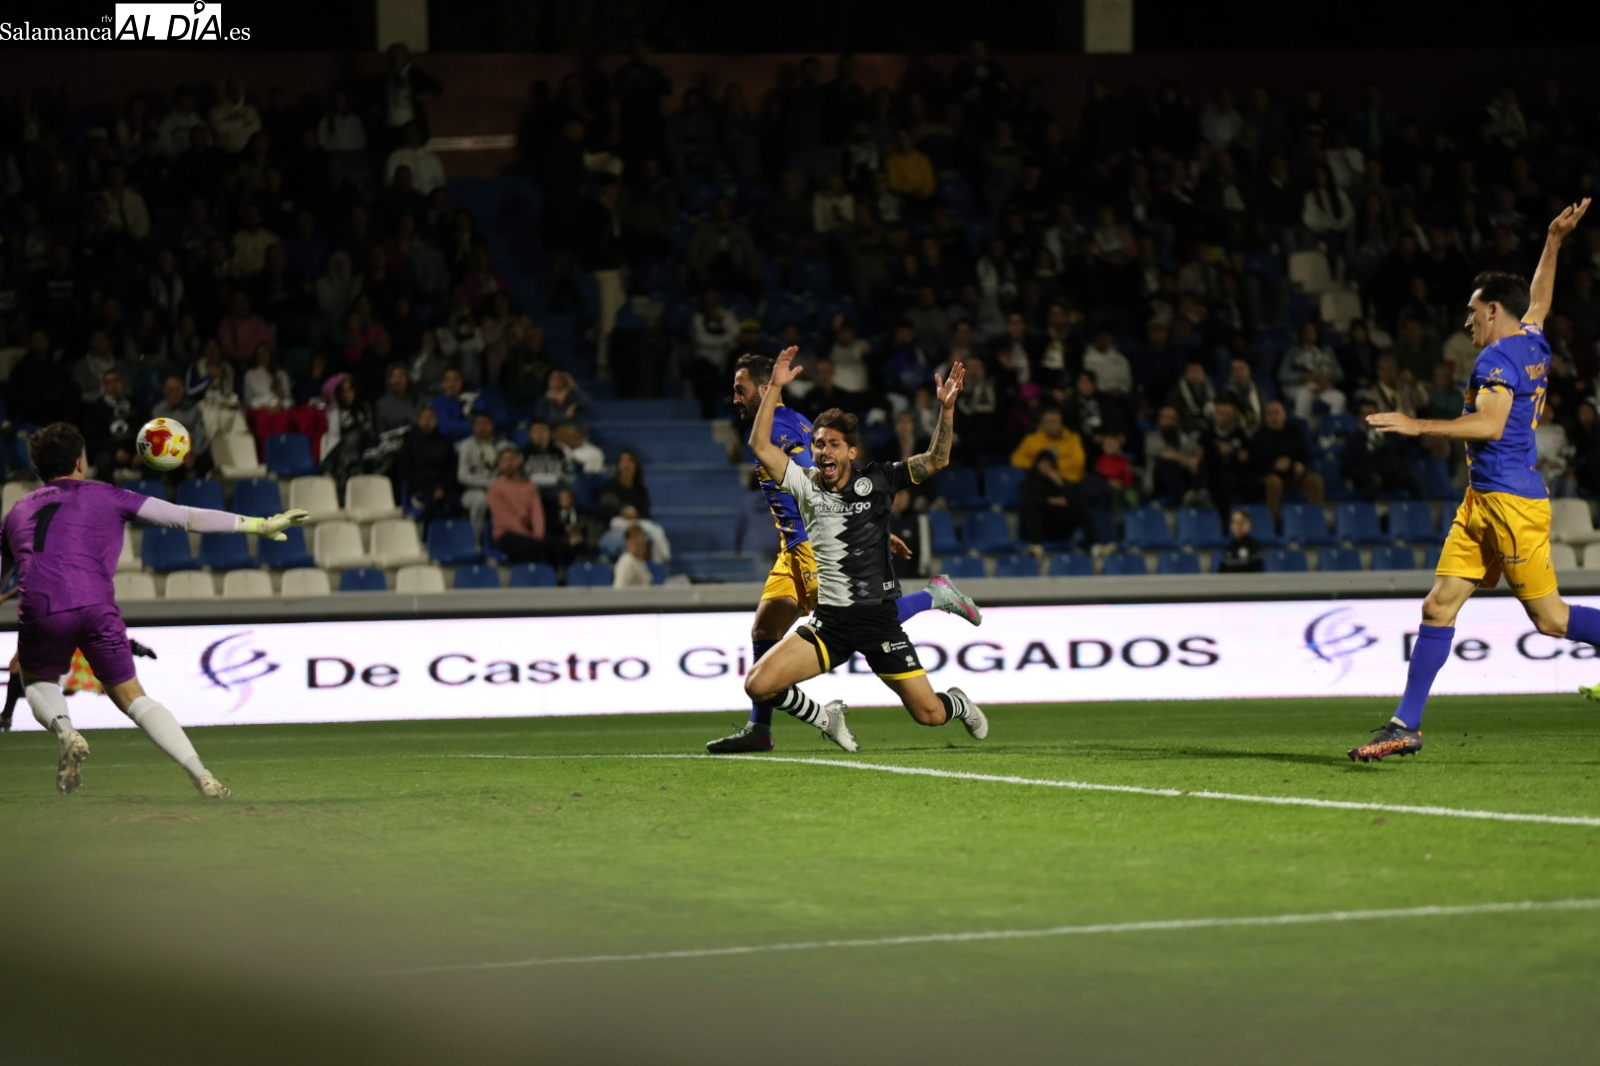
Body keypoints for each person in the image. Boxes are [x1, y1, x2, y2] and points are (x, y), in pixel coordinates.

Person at [1356, 200, 1599, 761]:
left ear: (1492, 312)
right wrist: (1554, 241)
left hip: (1511, 505)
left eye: (1472, 311)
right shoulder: (1531, 341)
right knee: (1438, 606)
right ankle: (1404, 725)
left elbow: (1489, 424)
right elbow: (1539, 298)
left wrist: (1417, 424)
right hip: (1481, 502)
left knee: (1551, 620)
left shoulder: (1494, 362)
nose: (1466, 321)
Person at [0, 423, 309, 796]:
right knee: (133, 696)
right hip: (97, 606)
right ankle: (201, 774)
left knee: (36, 680)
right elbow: (186, 518)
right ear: (80, 463)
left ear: (38, 470)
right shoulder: (108, 495)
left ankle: (66, 731)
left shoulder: (15, 513)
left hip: (41, 607)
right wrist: (258, 524)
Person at [705, 353, 983, 755]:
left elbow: (936, 460)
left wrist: (947, 409)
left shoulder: (876, 478)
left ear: (852, 451)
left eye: (832, 445)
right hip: (819, 600)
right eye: (818, 445)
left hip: (834, 576)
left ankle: (934, 599)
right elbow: (761, 447)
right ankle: (776, 725)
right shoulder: (807, 480)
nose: (821, 451)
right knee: (765, 635)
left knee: (930, 715)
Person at [1253, 400, 1325, 517]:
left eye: (1276, 412)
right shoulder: (1259, 436)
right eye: (1269, 414)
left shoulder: (1295, 431)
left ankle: (1315, 519)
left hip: (1294, 475)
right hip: (1270, 477)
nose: (1273, 417)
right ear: (1265, 417)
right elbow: (1255, 464)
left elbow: (1305, 455)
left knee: (1314, 480)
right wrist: (1274, 467)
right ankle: (1274, 522)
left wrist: (1300, 464)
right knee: (1274, 482)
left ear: (1284, 414)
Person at [486, 446, 546, 563]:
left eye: (512, 459)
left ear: (519, 461)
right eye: (505, 460)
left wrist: (538, 535)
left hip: (529, 534)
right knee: (536, 549)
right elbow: (506, 519)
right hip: (506, 534)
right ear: (499, 464)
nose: (509, 463)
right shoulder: (495, 489)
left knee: (555, 546)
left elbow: (537, 513)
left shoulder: (530, 486)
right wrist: (529, 536)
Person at [457, 412, 505, 538]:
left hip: (499, 489)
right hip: (472, 491)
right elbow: (462, 476)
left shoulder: (503, 445)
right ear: (473, 427)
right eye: (478, 424)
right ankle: (475, 541)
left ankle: (505, 539)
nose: (482, 427)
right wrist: (489, 484)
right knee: (480, 500)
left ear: (492, 426)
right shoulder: (466, 445)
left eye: (485, 424)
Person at [596, 449, 649, 523]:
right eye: (623, 461)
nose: (626, 464)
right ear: (618, 465)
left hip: (636, 525)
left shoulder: (640, 490)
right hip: (615, 527)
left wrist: (636, 515)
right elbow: (603, 512)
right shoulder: (609, 488)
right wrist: (621, 512)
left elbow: (646, 515)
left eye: (630, 461)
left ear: (636, 466)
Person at [1216, 509, 1266, 574]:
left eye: (1241, 522)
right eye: (1235, 522)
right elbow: (1221, 573)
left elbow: (1257, 573)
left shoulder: (1255, 547)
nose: (1238, 525)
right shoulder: (1228, 548)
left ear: (1249, 525)